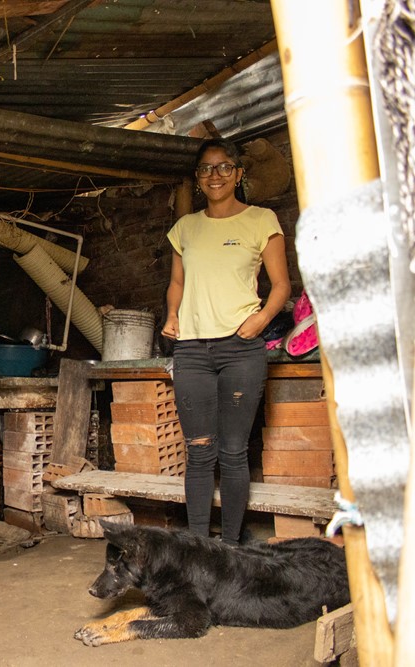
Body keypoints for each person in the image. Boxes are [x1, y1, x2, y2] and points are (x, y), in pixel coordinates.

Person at [161, 137, 291, 546]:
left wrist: (262, 319)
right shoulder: (185, 228)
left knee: (234, 453)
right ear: (198, 179)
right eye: (205, 169)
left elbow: (282, 285)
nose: (214, 175)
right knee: (199, 452)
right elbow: (177, 282)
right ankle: (200, 548)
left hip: (241, 348)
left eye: (222, 167)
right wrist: (171, 316)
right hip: (193, 351)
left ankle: (231, 547)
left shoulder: (261, 220)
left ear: (238, 173)